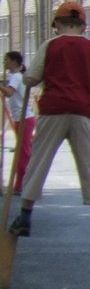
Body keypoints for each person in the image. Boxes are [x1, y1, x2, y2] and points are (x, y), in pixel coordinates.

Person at [6, 1, 90, 242]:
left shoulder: (49, 45)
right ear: (84, 26)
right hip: (83, 111)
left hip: (53, 110)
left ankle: (24, 216)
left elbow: (31, 78)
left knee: (39, 161)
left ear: (56, 24)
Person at [4, 50, 33, 192]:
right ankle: (22, 184)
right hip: (20, 118)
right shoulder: (16, 76)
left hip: (24, 118)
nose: (5, 62)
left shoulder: (16, 76)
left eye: (7, 60)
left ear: (14, 62)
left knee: (23, 152)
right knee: (22, 151)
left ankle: (23, 184)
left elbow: (9, 93)